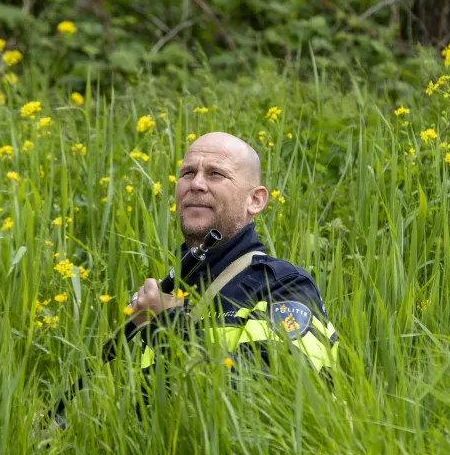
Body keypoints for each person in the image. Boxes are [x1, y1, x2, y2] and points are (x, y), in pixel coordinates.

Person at [124, 132, 338, 374]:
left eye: (216, 174)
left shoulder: (282, 286)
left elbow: (284, 390)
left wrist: (167, 325)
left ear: (255, 200)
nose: (196, 184)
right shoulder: (170, 293)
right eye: (188, 173)